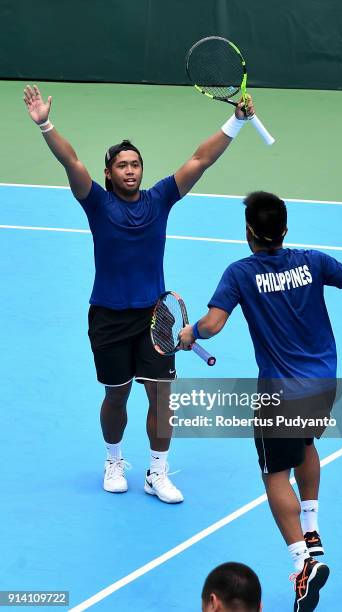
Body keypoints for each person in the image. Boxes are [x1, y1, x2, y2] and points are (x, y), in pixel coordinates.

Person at [23, 83, 255, 504]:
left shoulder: (160, 199)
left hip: (155, 315)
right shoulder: (96, 202)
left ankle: (158, 472)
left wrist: (236, 122)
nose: (131, 170)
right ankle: (114, 460)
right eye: (122, 165)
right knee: (116, 395)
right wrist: (46, 125)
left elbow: (200, 159)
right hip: (108, 316)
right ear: (109, 173)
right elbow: (70, 160)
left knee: (160, 396)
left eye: (136, 164)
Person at [180, 191, 342, 610]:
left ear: (248, 233)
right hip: (323, 382)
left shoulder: (240, 273)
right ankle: (311, 529)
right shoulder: (313, 261)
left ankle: (301, 563)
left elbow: (214, 324)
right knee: (307, 446)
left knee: (275, 475)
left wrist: (191, 336)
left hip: (279, 393)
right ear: (285, 229)